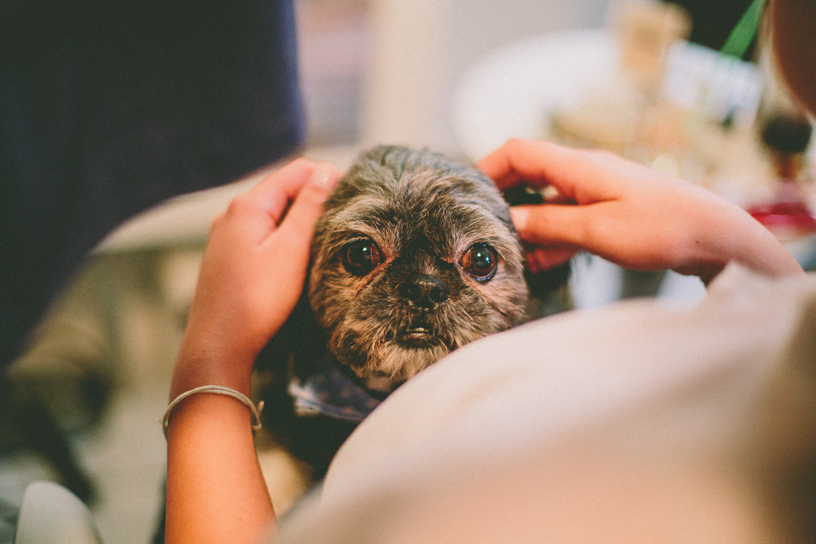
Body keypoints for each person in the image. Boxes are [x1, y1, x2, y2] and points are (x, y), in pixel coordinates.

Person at [163, 0, 814, 542]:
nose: (423, 290)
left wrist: (210, 362)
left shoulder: (496, 489)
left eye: (476, 261)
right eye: (363, 257)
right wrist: (746, 257)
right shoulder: (770, 352)